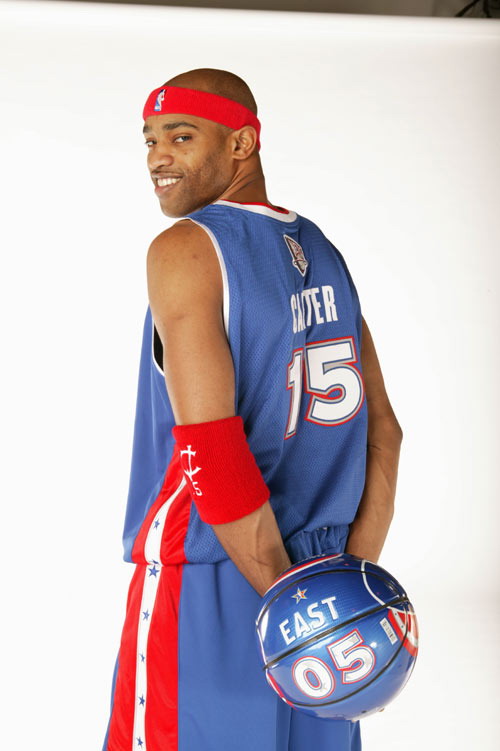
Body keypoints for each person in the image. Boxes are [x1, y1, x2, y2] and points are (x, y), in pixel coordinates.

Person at [102, 67, 402, 751]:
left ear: (242, 143)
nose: (157, 157)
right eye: (149, 140)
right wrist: (343, 603)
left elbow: (210, 447)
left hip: (216, 566)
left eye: (181, 136)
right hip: (326, 585)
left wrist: (290, 608)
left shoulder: (187, 247)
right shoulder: (322, 249)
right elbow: (384, 432)